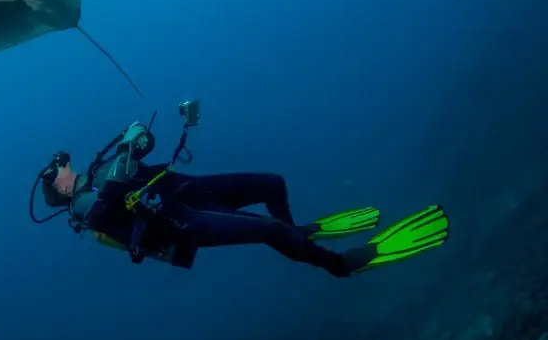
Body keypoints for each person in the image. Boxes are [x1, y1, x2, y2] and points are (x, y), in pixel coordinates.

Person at [29, 102, 449, 276]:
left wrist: (138, 138)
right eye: (55, 169)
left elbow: (139, 157)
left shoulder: (98, 168)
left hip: (188, 191)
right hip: (177, 223)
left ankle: (298, 233)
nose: (61, 163)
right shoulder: (80, 207)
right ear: (59, 189)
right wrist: (126, 149)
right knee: (268, 230)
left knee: (272, 184)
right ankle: (342, 265)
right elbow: (108, 203)